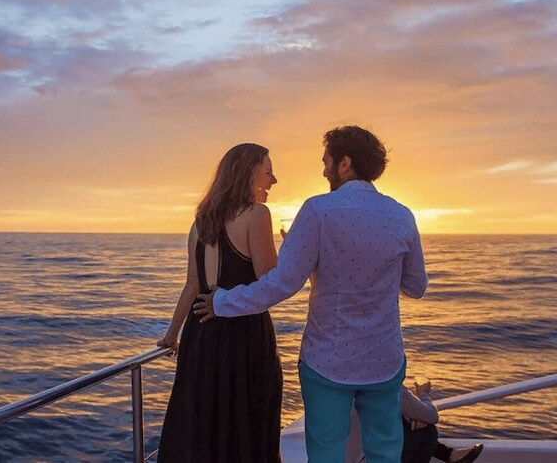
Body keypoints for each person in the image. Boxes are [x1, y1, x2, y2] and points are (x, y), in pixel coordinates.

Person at [195, 125, 429, 463]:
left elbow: (281, 284)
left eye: (326, 162)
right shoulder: (402, 215)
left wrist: (221, 302)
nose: (324, 170)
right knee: (384, 452)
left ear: (345, 164)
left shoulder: (318, 211)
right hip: (384, 360)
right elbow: (416, 287)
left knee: (325, 454)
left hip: (328, 361)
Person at [156, 143, 283, 463]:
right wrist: (292, 247)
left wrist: (171, 336)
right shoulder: (257, 215)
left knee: (203, 424)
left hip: (199, 335)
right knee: (246, 423)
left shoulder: (201, 222)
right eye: (268, 172)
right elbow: (270, 281)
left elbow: (192, 285)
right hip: (243, 335)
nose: (273, 180)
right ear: (248, 174)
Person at [399, 378, 484, 463]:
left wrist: (414, 415)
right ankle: (449, 455)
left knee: (414, 423)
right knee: (427, 430)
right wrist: (423, 394)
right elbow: (432, 416)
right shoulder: (393, 386)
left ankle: (449, 454)